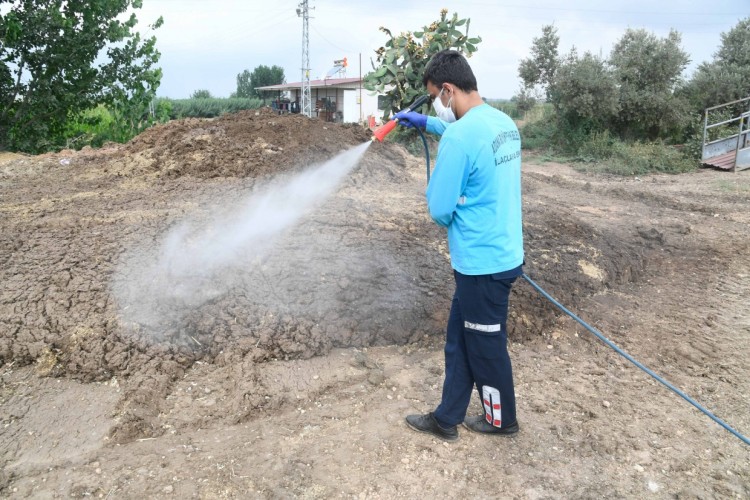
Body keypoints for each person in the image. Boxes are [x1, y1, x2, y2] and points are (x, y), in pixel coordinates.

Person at [394, 50, 524, 441]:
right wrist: (425, 122)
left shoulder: (460, 140)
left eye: (435, 96)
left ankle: (503, 421)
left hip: (481, 263)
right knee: (460, 340)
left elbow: (439, 209)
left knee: (486, 348)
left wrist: (445, 198)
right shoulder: (501, 123)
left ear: (448, 90)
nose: (437, 103)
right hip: (501, 253)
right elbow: (462, 134)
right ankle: (446, 418)